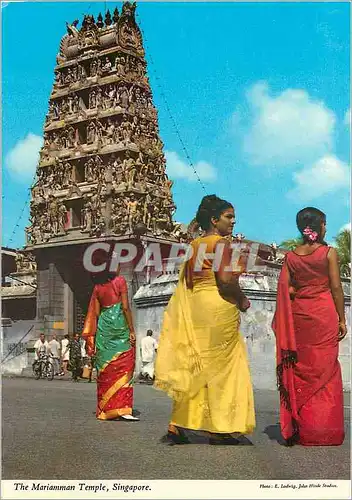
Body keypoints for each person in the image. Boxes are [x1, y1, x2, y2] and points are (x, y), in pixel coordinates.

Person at [154, 194, 255, 444]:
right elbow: (225, 280)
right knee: (222, 368)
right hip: (218, 306)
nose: (233, 222)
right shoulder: (220, 243)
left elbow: (188, 281)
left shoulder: (194, 246)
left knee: (196, 364)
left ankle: (178, 423)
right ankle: (219, 428)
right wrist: (242, 299)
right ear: (214, 219)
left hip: (197, 305)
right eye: (228, 217)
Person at [272, 207, 347, 446]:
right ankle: (324, 431)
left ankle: (303, 429)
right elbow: (336, 287)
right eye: (324, 224)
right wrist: (342, 318)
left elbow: (286, 288)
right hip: (323, 315)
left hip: (300, 317)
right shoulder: (329, 253)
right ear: (319, 226)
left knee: (302, 369)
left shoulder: (291, 256)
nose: (326, 228)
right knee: (325, 369)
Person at [82, 266, 139, 421]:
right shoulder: (120, 281)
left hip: (104, 329)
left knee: (106, 369)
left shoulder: (97, 288)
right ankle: (123, 408)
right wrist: (132, 330)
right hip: (120, 326)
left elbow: (97, 312)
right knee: (124, 366)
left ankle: (105, 410)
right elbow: (126, 307)